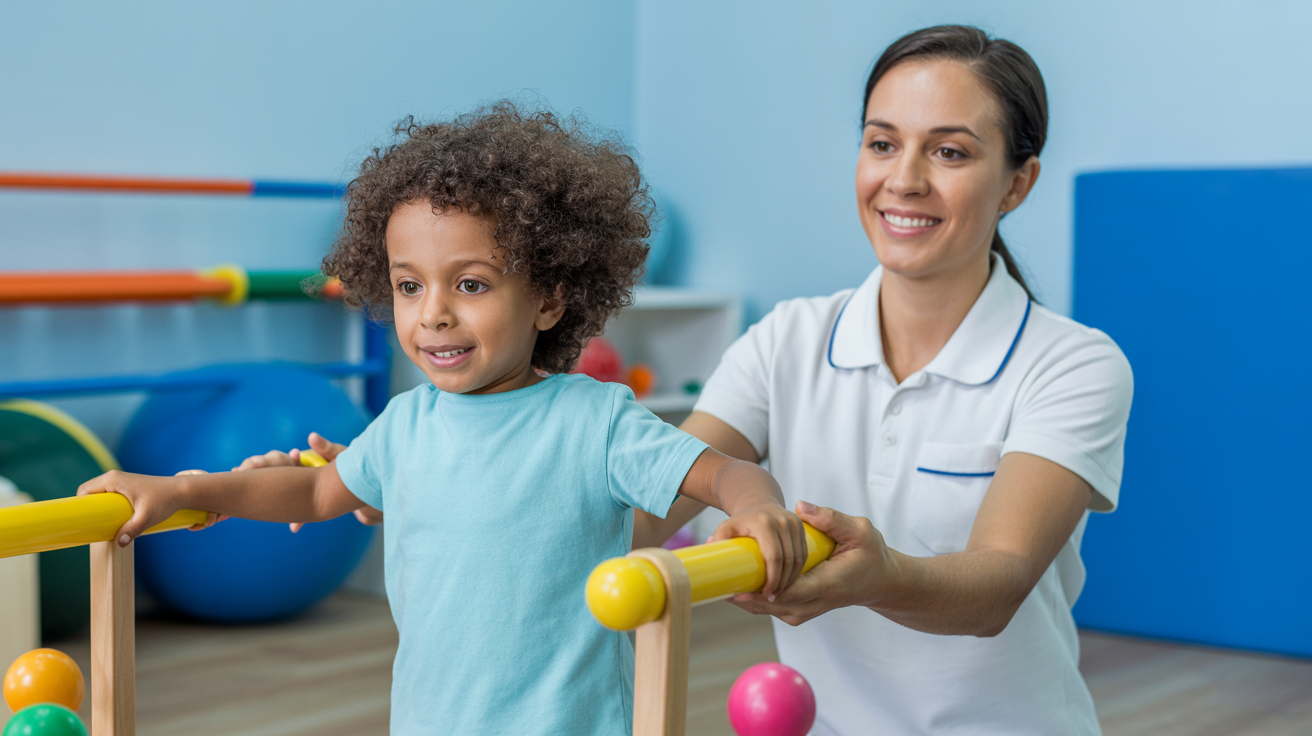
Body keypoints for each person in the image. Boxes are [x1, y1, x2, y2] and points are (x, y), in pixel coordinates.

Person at [76, 102, 809, 736]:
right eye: (408, 285)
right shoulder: (405, 424)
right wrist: (186, 490)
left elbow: (723, 470)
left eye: (470, 283)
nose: (433, 313)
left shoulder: (595, 420)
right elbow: (317, 493)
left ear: (550, 298)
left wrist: (759, 507)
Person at [635, 25, 1134, 735]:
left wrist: (882, 575)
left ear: (1017, 184)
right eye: (881, 143)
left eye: (950, 151)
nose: (903, 179)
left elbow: (997, 585)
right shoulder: (787, 340)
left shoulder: (1073, 364)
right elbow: (657, 498)